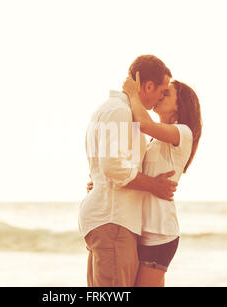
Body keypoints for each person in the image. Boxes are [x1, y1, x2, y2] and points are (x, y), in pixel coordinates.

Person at [78, 55, 177, 287]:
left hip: (108, 219)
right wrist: (155, 185)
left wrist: (100, 181)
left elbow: (106, 167)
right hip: (113, 222)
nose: (161, 97)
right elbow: (113, 166)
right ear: (148, 85)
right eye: (162, 91)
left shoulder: (110, 109)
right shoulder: (119, 112)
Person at [122, 71, 202, 286]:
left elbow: (145, 124)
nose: (159, 96)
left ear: (179, 105)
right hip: (143, 231)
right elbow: (136, 175)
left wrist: (132, 94)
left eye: (166, 94)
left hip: (160, 234)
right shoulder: (154, 142)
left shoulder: (183, 132)